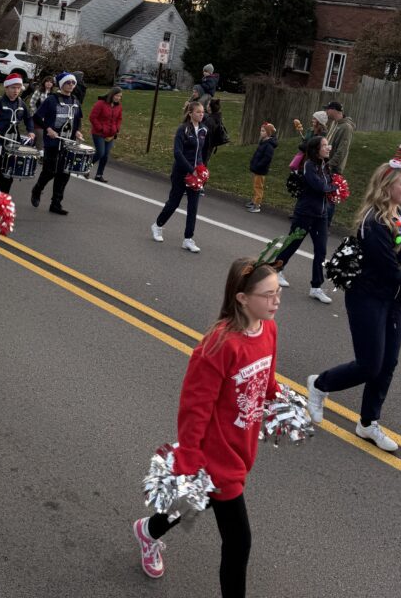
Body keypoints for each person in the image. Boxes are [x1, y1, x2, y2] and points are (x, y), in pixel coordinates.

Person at [132, 255, 281, 595]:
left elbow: (268, 375)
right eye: (268, 294)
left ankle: (148, 531)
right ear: (242, 298)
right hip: (216, 456)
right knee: (239, 542)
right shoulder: (219, 345)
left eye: (278, 293)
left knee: (198, 499)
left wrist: (278, 398)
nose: (276, 301)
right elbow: (194, 406)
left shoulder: (269, 329)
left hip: (242, 445)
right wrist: (189, 455)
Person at [306, 144, 401, 451]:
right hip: (367, 297)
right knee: (370, 364)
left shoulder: (400, 215)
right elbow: (389, 268)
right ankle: (320, 384)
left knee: (388, 363)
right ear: (388, 186)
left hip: (392, 299)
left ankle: (368, 423)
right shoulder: (374, 222)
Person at [270, 136, 334, 303]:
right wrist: (332, 187)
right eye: (325, 145)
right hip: (305, 213)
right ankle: (277, 270)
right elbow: (319, 186)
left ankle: (316, 287)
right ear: (316, 149)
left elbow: (329, 184)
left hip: (321, 215)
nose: (328, 148)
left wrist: (333, 187)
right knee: (293, 243)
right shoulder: (309, 165)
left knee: (321, 250)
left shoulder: (325, 166)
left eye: (328, 145)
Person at [151, 100, 209, 252]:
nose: (201, 114)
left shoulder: (203, 130)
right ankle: (157, 225)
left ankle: (188, 239)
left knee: (193, 207)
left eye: (203, 112)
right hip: (181, 173)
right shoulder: (183, 129)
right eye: (198, 112)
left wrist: (201, 168)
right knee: (174, 203)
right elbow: (177, 153)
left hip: (195, 175)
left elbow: (200, 153)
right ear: (190, 113)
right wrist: (191, 169)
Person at [31, 72, 84, 215]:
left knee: (64, 173)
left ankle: (56, 203)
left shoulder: (75, 100)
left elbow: (78, 119)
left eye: (73, 83)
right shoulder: (51, 100)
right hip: (52, 142)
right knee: (50, 170)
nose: (71, 85)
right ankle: (37, 189)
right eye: (68, 83)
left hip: (68, 143)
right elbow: (37, 117)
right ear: (61, 85)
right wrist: (48, 129)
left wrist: (78, 131)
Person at [0, 73, 35, 193]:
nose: (16, 91)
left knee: (9, 175)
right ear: (6, 87)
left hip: (13, 144)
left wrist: (30, 131)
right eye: (13, 87)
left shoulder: (21, 104)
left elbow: (28, 118)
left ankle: (3, 199)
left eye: (18, 88)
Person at [324, 102, 355, 226]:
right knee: (322, 194)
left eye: (328, 109)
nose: (326, 112)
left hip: (333, 168)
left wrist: (330, 164)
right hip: (325, 164)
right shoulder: (335, 124)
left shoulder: (346, 127)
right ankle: (319, 222)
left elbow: (342, 150)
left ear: (334, 110)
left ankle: (325, 225)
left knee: (330, 198)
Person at [88, 86, 123, 182]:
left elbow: (119, 118)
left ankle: (99, 175)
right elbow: (92, 117)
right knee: (100, 153)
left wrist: (116, 128)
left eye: (120, 96)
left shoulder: (119, 106)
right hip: (99, 133)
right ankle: (86, 167)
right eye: (117, 95)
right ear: (112, 94)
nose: (118, 98)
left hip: (111, 134)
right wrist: (101, 128)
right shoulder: (100, 103)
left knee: (105, 155)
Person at [246, 122, 277, 213]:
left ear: (269, 133)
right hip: (256, 168)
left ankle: (257, 205)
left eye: (263, 131)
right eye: (261, 130)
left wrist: (258, 165)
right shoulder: (263, 142)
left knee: (258, 187)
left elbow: (267, 158)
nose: (261, 132)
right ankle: (254, 201)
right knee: (255, 185)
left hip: (260, 170)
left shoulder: (269, 145)